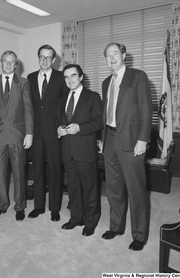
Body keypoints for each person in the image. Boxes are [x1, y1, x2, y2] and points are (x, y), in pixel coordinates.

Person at [101, 43, 152, 251]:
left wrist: (143, 139)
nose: (111, 58)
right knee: (113, 188)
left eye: (115, 53)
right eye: (108, 55)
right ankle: (116, 227)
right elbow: (107, 113)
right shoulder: (106, 82)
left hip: (132, 140)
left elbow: (146, 109)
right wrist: (102, 138)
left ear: (124, 55)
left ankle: (139, 235)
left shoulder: (138, 76)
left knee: (136, 190)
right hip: (110, 139)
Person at [0, 50, 34, 221]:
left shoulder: (24, 83)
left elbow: (28, 109)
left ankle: (20, 206)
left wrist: (29, 133)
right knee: (0, 173)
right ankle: (1, 205)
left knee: (19, 172)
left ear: (16, 64)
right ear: (1, 62)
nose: (9, 64)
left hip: (18, 135)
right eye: (6, 61)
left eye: (12, 62)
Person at [56, 64, 103, 236]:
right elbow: (59, 120)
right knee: (73, 187)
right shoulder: (62, 98)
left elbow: (99, 121)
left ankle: (90, 221)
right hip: (68, 149)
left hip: (85, 150)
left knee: (89, 188)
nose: (70, 80)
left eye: (73, 75)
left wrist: (80, 127)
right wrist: (59, 129)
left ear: (81, 77)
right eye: (66, 77)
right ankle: (76, 217)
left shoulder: (93, 97)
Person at [27, 44, 69, 222]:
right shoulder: (29, 78)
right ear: (38, 58)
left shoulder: (61, 78)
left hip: (54, 132)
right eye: (41, 57)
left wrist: (62, 127)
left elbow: (67, 104)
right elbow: (28, 105)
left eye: (48, 57)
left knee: (54, 171)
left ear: (54, 60)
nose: (44, 60)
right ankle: (38, 206)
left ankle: (54, 208)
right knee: (36, 170)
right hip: (35, 132)